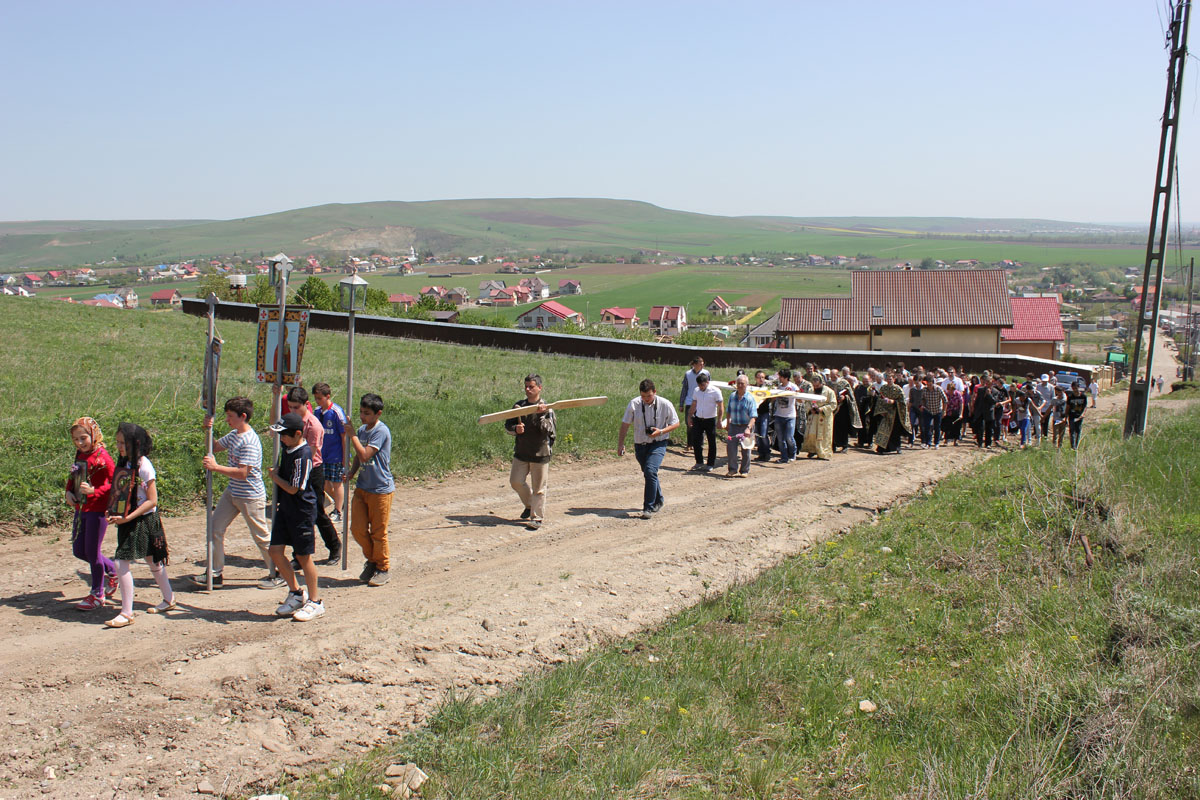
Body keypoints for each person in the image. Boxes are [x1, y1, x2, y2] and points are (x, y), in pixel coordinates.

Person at [195, 397, 277, 590]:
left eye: (230, 416)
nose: (227, 420)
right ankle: (215, 573)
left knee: (261, 536)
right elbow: (214, 447)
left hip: (250, 495)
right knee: (215, 528)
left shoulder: (250, 441)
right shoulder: (234, 435)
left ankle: (277, 572)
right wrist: (208, 430)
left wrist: (216, 467)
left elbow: (243, 473)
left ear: (243, 416)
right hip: (233, 492)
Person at [104, 423, 174, 628]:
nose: (119, 446)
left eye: (122, 443)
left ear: (135, 444)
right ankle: (169, 599)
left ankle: (126, 613)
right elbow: (120, 492)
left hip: (142, 520)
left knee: (120, 562)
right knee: (152, 561)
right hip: (129, 518)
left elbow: (152, 500)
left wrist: (127, 517)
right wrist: (113, 511)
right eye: (117, 442)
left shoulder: (144, 466)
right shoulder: (125, 463)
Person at [265, 412, 325, 622]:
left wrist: (275, 477)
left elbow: (294, 488)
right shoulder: (287, 447)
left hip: (301, 510)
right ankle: (296, 592)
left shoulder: (304, 455)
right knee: (275, 550)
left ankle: (316, 602)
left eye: (285, 435)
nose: (281, 439)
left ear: (298, 434)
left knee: (303, 556)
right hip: (286, 509)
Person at [65, 417, 117, 611]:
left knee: (93, 553)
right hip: (81, 509)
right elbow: (74, 476)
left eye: (84, 438)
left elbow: (116, 484)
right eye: (76, 439)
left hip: (97, 511)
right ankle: (112, 569)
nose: (80, 443)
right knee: (79, 550)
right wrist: (69, 492)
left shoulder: (103, 457)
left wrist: (95, 491)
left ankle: (97, 594)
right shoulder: (80, 455)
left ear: (93, 434)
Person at [285, 386, 340, 566]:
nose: (292, 411)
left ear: (306, 405)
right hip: (294, 468)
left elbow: (310, 453)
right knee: (296, 514)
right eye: (290, 407)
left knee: (316, 513)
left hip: (312, 471)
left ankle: (334, 546)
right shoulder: (290, 422)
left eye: (296, 407)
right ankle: (299, 555)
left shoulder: (314, 425)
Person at [346, 393, 395, 587]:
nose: (362, 416)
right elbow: (358, 457)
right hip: (362, 487)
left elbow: (365, 454)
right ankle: (372, 560)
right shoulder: (361, 430)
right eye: (360, 412)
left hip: (380, 489)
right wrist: (351, 472)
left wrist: (352, 436)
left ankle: (382, 567)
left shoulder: (381, 431)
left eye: (366, 413)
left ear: (378, 413)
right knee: (357, 529)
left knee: (378, 532)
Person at [618, 379, 680, 519]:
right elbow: (625, 424)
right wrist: (620, 444)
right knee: (648, 473)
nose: (646, 399)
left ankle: (648, 507)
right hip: (640, 444)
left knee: (651, 471)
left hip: (659, 442)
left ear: (655, 392)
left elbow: (676, 423)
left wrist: (661, 431)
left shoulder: (665, 404)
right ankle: (659, 500)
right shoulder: (634, 403)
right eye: (643, 396)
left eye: (649, 396)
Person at [505, 374, 556, 530]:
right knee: (515, 482)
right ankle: (529, 505)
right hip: (521, 452)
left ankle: (537, 518)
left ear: (539, 388)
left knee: (539, 488)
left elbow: (550, 431)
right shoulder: (518, 406)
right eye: (526, 386)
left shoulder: (547, 408)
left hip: (540, 453)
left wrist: (541, 415)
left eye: (531, 387)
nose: (527, 389)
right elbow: (508, 426)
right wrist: (516, 429)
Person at [311, 383, 347, 524]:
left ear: (328, 396)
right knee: (324, 484)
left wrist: (345, 456)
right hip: (322, 455)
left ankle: (338, 512)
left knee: (337, 483)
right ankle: (339, 502)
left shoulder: (336, 412)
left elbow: (344, 436)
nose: (318, 401)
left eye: (320, 398)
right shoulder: (317, 412)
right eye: (316, 398)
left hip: (336, 454)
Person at [687, 372, 723, 471]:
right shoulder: (696, 390)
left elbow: (721, 407)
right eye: (699, 385)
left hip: (710, 419)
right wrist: (689, 416)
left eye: (702, 385)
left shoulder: (715, 391)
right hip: (698, 418)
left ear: (707, 382)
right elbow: (694, 404)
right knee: (696, 441)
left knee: (711, 442)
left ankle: (710, 463)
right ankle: (699, 462)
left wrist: (719, 420)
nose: (701, 387)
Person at [723, 374, 757, 477]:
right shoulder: (732, 396)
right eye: (739, 383)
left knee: (746, 449)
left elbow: (753, 416)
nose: (740, 385)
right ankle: (732, 469)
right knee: (731, 448)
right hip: (734, 425)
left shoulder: (750, 398)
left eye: (742, 383)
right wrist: (728, 422)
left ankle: (744, 470)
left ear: (747, 385)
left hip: (746, 426)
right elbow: (728, 411)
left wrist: (748, 428)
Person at [801, 373, 837, 460]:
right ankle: (812, 450)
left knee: (823, 435)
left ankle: (823, 453)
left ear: (821, 383)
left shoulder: (829, 392)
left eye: (817, 386)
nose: (815, 388)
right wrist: (810, 409)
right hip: (813, 416)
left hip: (824, 417)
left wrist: (821, 409)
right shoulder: (811, 390)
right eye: (814, 386)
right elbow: (807, 402)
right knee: (812, 434)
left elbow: (833, 404)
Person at [873, 371, 909, 455]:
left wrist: (893, 402)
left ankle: (897, 447)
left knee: (895, 432)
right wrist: (881, 411)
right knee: (884, 430)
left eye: (891, 379)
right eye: (888, 379)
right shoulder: (883, 388)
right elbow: (879, 401)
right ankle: (882, 448)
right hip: (885, 413)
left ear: (894, 379)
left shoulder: (898, 389)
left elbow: (902, 402)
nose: (889, 381)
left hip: (895, 413)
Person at [678, 356, 708, 453]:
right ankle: (689, 444)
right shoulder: (688, 374)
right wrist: (681, 403)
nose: (702, 365)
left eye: (703, 363)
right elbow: (685, 389)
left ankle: (699, 444)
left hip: (702, 402)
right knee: (689, 424)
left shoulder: (706, 373)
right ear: (694, 365)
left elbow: (709, 386)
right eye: (700, 363)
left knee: (701, 423)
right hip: (690, 401)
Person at [773, 368, 800, 463]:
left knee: (789, 437)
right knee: (780, 438)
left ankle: (792, 454)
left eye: (780, 377)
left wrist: (796, 394)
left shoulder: (793, 387)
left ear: (785, 378)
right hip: (779, 415)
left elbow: (801, 399)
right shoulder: (778, 387)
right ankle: (784, 457)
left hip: (790, 416)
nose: (779, 378)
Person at [831, 373, 862, 453]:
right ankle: (833, 445)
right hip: (832, 408)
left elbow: (850, 395)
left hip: (843, 409)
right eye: (831, 376)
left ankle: (844, 445)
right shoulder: (829, 383)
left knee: (843, 428)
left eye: (834, 376)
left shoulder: (844, 383)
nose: (832, 378)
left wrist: (845, 397)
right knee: (832, 428)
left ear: (838, 375)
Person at [919, 375, 947, 449]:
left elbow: (945, 400)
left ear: (932, 383)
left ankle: (936, 443)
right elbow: (922, 399)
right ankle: (928, 443)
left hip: (938, 410)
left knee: (937, 427)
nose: (929, 386)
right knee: (927, 427)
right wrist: (922, 405)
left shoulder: (939, 389)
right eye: (927, 384)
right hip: (928, 410)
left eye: (930, 384)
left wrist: (944, 411)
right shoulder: (924, 390)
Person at [752, 370, 773, 461]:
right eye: (759, 377)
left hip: (764, 413)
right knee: (757, 434)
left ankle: (767, 453)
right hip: (755, 413)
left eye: (763, 377)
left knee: (763, 434)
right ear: (756, 378)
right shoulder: (752, 388)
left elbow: (772, 399)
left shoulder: (768, 389)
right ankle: (761, 453)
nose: (761, 379)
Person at [1066, 382, 1088, 449]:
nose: (1075, 390)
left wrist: (1083, 414)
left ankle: (1077, 445)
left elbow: (1085, 407)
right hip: (1072, 415)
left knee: (1078, 431)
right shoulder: (1070, 397)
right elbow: (1068, 407)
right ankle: (1073, 447)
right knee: (1072, 431)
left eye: (1076, 388)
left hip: (1079, 416)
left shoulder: (1083, 396)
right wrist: (1066, 416)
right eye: (1073, 388)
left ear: (1078, 387)